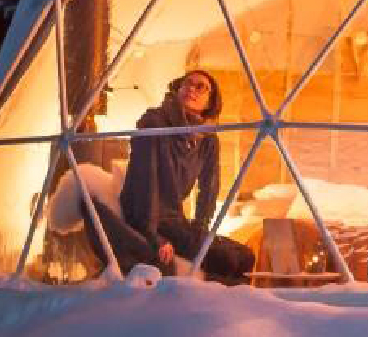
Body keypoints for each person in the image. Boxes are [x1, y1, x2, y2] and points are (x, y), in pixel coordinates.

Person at [86, 70, 254, 285]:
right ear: (178, 88)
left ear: (210, 101)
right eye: (187, 83)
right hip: (146, 215)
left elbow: (209, 189)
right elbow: (145, 183)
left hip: (175, 221)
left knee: (245, 257)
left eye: (200, 86)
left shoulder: (207, 139)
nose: (192, 89)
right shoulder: (155, 123)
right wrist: (153, 236)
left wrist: (200, 229)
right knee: (228, 261)